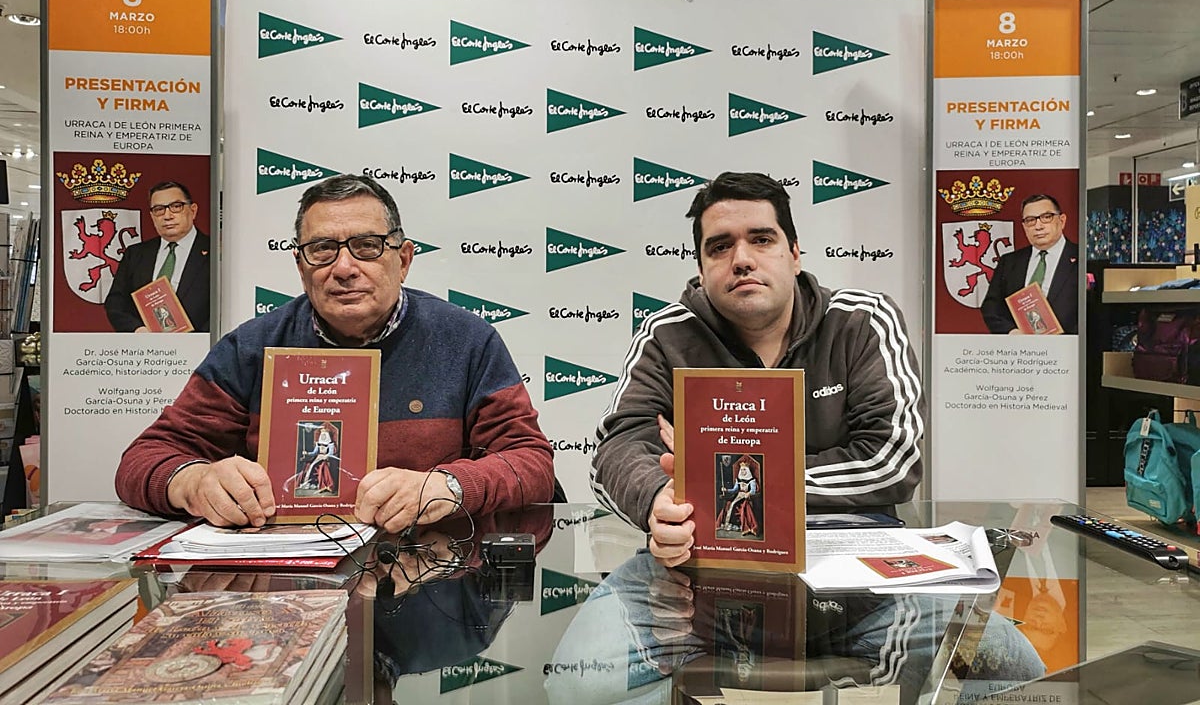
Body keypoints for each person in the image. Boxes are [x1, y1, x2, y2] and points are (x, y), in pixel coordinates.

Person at [115, 174, 554, 531]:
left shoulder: (465, 340)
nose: (344, 268)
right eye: (322, 250)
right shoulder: (250, 347)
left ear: (402, 260)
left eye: (366, 246)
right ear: (300, 266)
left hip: (428, 580)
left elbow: (531, 462)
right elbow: (143, 460)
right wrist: (193, 480)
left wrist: (450, 486)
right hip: (283, 594)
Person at [590, 171, 924, 568]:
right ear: (701, 269)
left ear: (795, 254)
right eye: (719, 247)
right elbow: (615, 452)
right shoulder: (667, 336)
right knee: (593, 633)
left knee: (991, 634)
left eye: (762, 240)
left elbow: (892, 460)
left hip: (850, 545)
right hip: (701, 553)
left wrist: (717, 480)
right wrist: (658, 499)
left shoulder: (863, 320)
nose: (742, 260)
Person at [105, 180, 211, 333]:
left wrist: (195, 341)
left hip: (201, 350)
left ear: (193, 210)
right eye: (159, 209)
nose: (167, 216)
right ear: (152, 216)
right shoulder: (135, 254)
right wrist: (137, 329)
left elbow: (225, 307)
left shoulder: (216, 252)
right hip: (145, 350)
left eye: (176, 207)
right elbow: (115, 303)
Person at [980, 193, 1078, 335]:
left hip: (1069, 349)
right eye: (1030, 220)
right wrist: (1011, 332)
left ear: (1062, 221)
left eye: (1046, 217)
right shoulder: (1009, 262)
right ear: (1024, 226)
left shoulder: (1082, 258)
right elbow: (991, 308)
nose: (1038, 226)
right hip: (1020, 351)